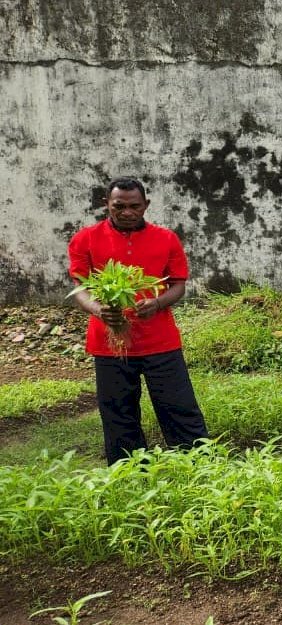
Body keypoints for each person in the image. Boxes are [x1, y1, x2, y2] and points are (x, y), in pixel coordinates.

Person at [67, 177, 210, 465]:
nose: (127, 212)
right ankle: (131, 476)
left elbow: (178, 285)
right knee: (118, 414)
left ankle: (198, 468)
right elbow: (80, 287)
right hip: (110, 345)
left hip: (161, 342)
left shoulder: (166, 238)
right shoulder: (85, 239)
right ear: (106, 204)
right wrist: (98, 310)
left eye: (135, 206)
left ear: (146, 205)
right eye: (119, 206)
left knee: (179, 408)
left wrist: (157, 303)